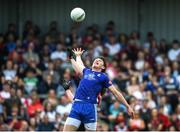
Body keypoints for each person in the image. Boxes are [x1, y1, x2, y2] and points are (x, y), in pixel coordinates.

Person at [63, 48, 134, 131]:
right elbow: (80, 66)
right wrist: (77, 56)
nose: (97, 60)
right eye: (96, 59)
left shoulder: (103, 76)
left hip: (90, 108)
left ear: (103, 67)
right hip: (77, 105)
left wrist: (127, 106)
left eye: (100, 61)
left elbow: (115, 92)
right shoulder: (87, 71)